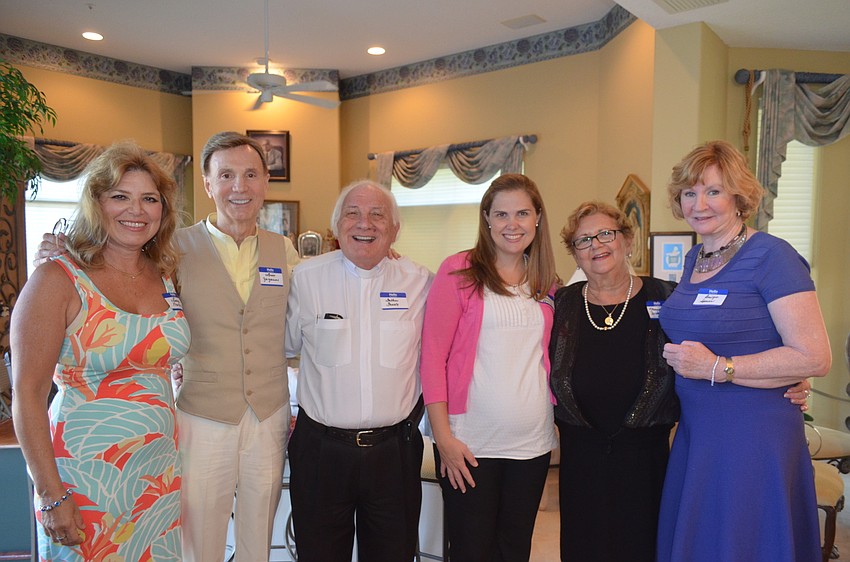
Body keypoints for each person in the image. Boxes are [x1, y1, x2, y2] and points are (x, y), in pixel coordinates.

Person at [11, 142, 190, 560]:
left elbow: (156, 354)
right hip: (85, 475)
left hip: (158, 474)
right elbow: (28, 395)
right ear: (97, 202)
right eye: (120, 196)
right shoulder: (57, 278)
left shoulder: (166, 274)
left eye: (150, 199)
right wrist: (51, 495)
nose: (137, 210)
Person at [657, 140, 831, 561]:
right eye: (689, 193)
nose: (700, 204)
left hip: (752, 435)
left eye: (713, 191)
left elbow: (814, 356)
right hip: (700, 432)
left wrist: (718, 367)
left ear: (738, 197)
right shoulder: (697, 256)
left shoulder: (773, 257)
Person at [285, 179, 433, 561]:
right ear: (336, 226)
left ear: (394, 229)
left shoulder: (421, 283)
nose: (364, 224)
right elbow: (276, 349)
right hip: (320, 451)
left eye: (377, 215)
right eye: (352, 213)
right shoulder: (305, 279)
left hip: (394, 453)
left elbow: (443, 357)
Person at [420, 173, 560, 561]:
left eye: (521, 213)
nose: (511, 224)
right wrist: (443, 437)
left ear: (537, 219)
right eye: (501, 214)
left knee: (514, 549)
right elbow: (432, 357)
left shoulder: (545, 282)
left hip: (532, 442)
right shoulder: (459, 272)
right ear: (486, 220)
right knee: (470, 550)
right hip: (470, 443)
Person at [549, 201, 678, 562]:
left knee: (642, 548)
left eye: (606, 233)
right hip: (581, 458)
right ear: (575, 254)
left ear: (628, 240)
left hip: (645, 459)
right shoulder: (563, 303)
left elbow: (713, 345)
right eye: (583, 240)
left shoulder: (667, 297)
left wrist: (789, 380)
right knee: (583, 548)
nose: (596, 245)